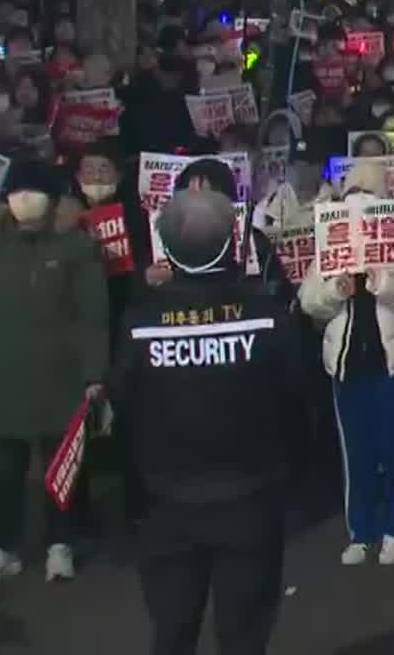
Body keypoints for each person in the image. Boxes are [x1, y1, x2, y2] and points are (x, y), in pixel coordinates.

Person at [112, 189, 304, 655]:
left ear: (167, 247)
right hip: (250, 496)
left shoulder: (141, 322)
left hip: (166, 500)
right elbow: (297, 398)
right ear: (232, 240)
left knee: (172, 629)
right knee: (244, 633)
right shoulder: (265, 316)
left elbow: (123, 403)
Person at [0, 159, 108, 586]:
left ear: (54, 198)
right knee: (6, 471)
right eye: (17, 191)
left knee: (61, 470)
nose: (25, 198)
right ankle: (4, 547)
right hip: (3, 379)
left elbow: (92, 317)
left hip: (61, 379)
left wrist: (94, 373)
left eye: (33, 190)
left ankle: (62, 544)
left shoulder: (76, 247)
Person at [298, 161, 394, 567]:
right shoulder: (329, 246)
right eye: (352, 197)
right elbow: (308, 299)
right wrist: (335, 289)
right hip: (347, 366)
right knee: (356, 453)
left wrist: (385, 282)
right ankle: (360, 532)